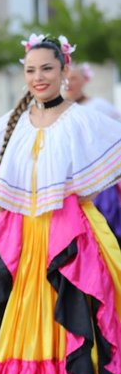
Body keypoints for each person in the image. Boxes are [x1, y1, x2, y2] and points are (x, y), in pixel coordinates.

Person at [0, 34, 121, 374]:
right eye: (31, 70)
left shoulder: (83, 120)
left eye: (47, 68)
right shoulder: (12, 123)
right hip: (20, 240)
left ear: (64, 70)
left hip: (65, 237)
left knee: (66, 320)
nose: (38, 77)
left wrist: (79, 195)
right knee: (14, 321)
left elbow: (102, 168)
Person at [66, 62, 121, 247]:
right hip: (72, 184)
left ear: (84, 80)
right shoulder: (58, 111)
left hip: (100, 182)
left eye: (74, 78)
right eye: (66, 78)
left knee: (106, 229)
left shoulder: (99, 106)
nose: (69, 83)